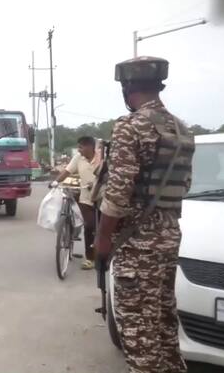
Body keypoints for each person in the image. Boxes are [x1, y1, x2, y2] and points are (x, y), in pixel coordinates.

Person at [94, 56, 195, 373]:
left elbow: (118, 194)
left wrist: (103, 239)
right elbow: (185, 185)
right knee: (164, 324)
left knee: (139, 334)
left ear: (127, 88)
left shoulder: (131, 127)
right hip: (168, 234)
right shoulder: (181, 129)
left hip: (138, 241)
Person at [49, 136, 99, 270]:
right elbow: (67, 171)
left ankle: (105, 253)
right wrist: (56, 181)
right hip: (86, 198)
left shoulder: (102, 157)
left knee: (103, 227)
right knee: (89, 226)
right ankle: (90, 258)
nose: (79, 150)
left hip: (102, 198)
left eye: (81, 147)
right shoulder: (78, 158)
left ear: (90, 147)